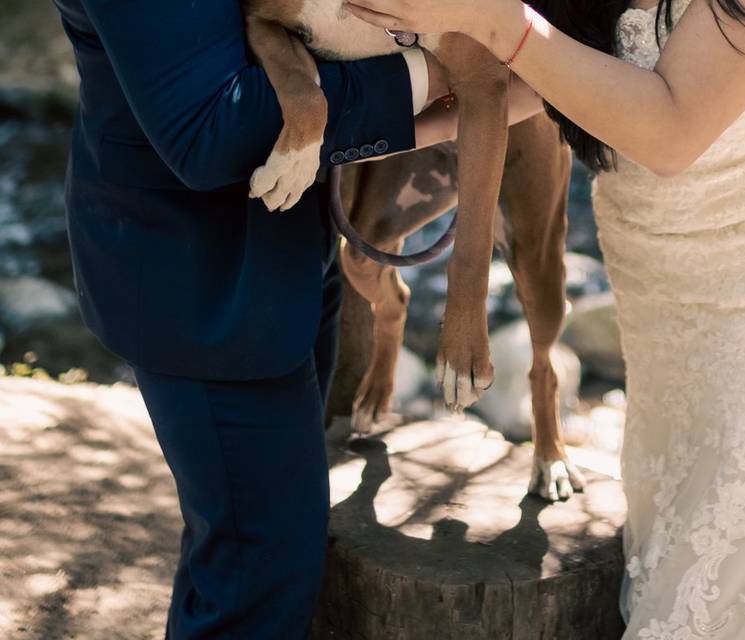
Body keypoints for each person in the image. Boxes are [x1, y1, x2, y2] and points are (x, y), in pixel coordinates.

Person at [346, 0, 745, 637]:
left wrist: (497, 22)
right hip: (660, 295)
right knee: (694, 535)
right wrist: (349, 130)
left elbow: (668, 132)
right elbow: (543, 79)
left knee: (734, 581)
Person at [48, 0, 531, 636]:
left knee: (236, 548)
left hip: (289, 254)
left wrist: (454, 110)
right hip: (204, 287)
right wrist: (439, 74)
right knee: (262, 568)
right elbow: (209, 127)